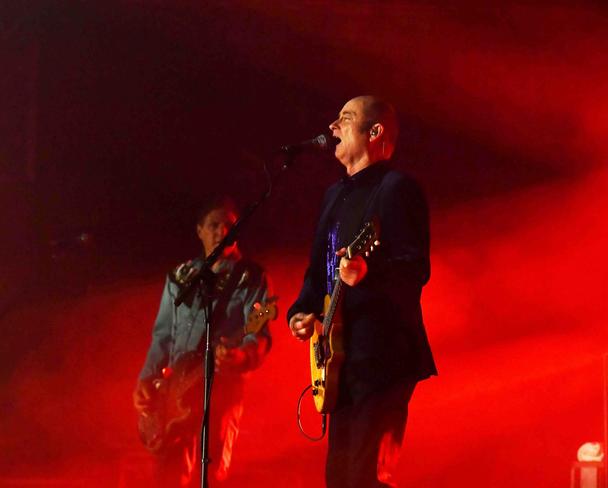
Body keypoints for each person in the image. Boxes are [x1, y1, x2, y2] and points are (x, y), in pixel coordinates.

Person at [288, 95, 437, 487]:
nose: (333, 126)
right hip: (340, 364)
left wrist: (369, 271)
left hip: (383, 360)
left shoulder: (397, 188)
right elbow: (317, 273)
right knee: (338, 478)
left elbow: (415, 268)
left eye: (345, 118)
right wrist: (300, 313)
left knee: (367, 477)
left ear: (375, 132)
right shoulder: (332, 196)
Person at [133, 196, 271, 487]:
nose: (221, 231)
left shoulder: (251, 278)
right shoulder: (181, 276)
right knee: (167, 478)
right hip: (175, 396)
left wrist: (241, 356)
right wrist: (147, 379)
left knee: (211, 478)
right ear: (199, 230)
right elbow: (163, 336)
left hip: (220, 393)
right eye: (213, 224)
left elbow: (258, 333)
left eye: (229, 225)